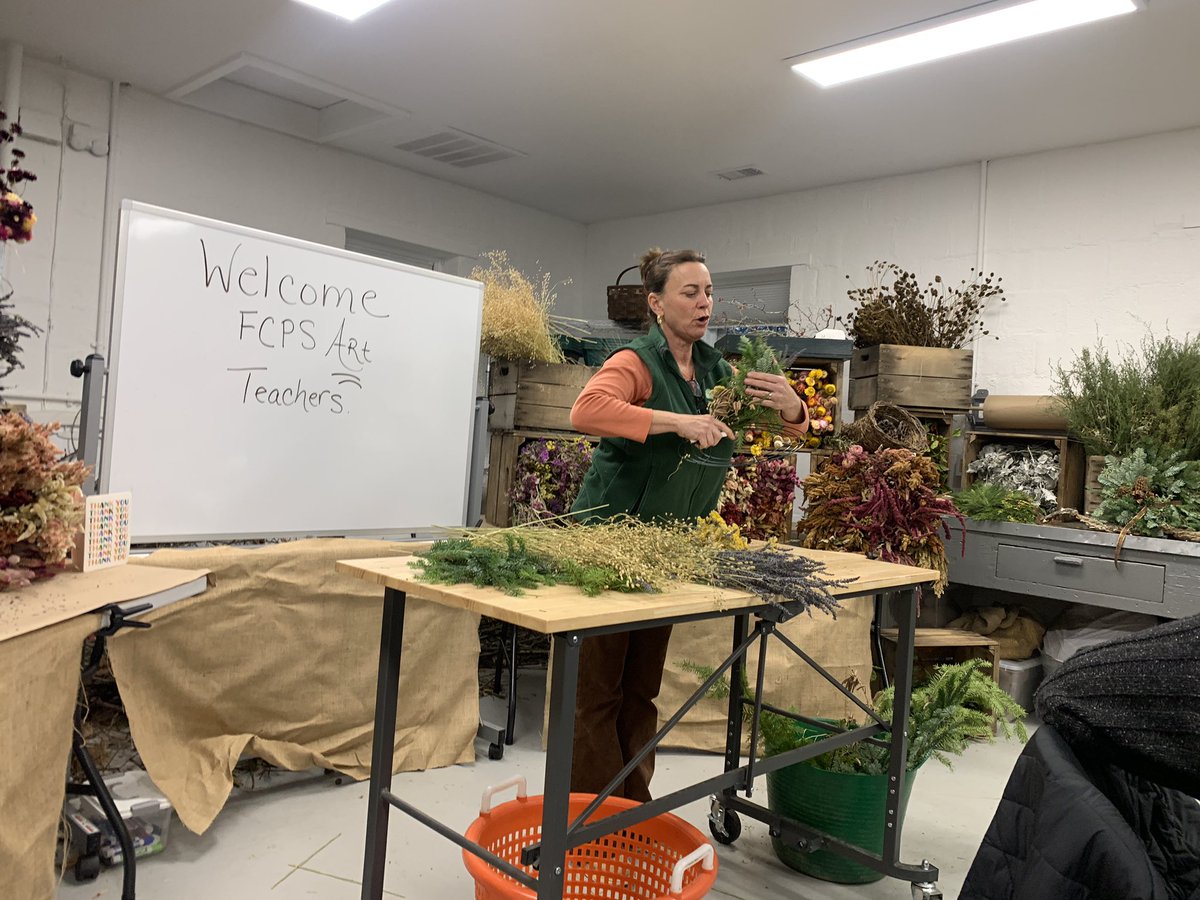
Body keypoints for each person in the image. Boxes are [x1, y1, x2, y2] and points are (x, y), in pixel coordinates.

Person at [567, 247, 809, 801]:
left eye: (708, 293)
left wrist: (793, 405)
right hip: (608, 543)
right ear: (656, 303)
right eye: (690, 293)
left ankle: (632, 806)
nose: (705, 304)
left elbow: (792, 430)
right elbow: (586, 411)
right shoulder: (635, 362)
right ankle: (588, 818)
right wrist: (679, 421)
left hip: (666, 549)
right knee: (598, 690)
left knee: (642, 688)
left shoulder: (717, 370)